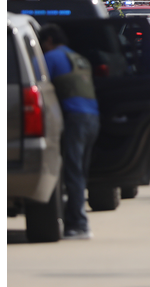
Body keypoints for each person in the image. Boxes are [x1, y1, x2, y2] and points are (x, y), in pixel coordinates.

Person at [39, 24, 100, 240]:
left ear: (48, 40)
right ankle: (76, 220)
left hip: (74, 119)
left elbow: (38, 86)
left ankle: (78, 225)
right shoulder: (78, 58)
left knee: (72, 174)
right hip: (92, 118)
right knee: (79, 173)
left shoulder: (50, 58)